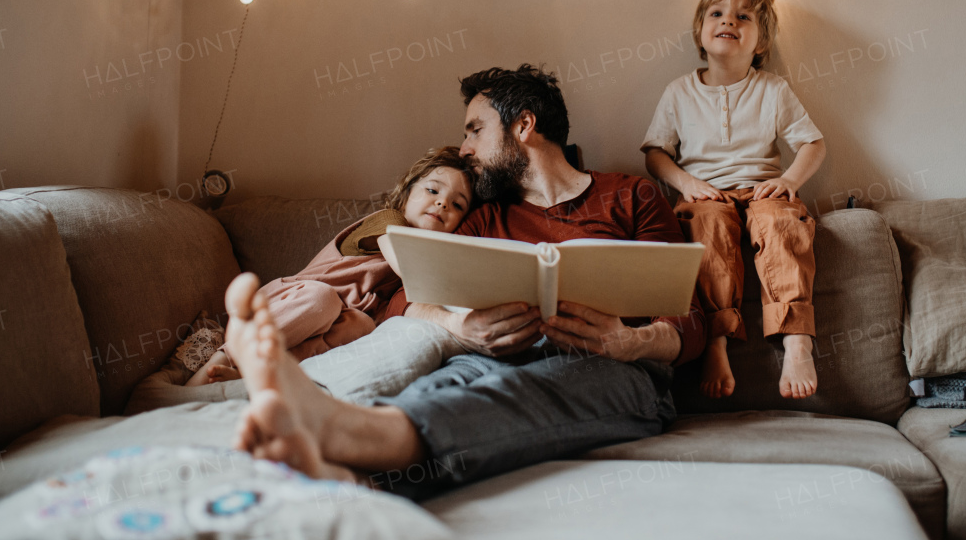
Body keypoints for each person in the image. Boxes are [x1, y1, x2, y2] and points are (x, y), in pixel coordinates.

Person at [223, 65, 706, 495]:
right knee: (451, 384)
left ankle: (344, 434)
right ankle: (347, 473)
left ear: (523, 125)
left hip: (616, 368)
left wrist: (630, 340)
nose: (465, 148)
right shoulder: (483, 217)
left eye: (476, 130)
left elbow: (688, 316)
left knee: (530, 391)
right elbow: (404, 301)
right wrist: (458, 328)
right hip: (498, 358)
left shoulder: (632, 195)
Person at [642, 0, 826, 400]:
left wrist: (788, 181)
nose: (730, 21)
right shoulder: (679, 92)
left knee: (783, 224)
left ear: (760, 43)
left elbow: (812, 143)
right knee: (704, 230)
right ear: (700, 32)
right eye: (718, 14)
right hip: (705, 194)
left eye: (744, 17)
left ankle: (797, 340)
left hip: (762, 191)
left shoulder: (772, 89)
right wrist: (686, 183)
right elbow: (655, 153)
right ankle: (715, 341)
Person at [187, 147, 475, 386]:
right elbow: (406, 264)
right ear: (406, 195)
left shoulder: (426, 256)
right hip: (292, 302)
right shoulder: (389, 222)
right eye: (432, 190)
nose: (442, 203)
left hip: (336, 319)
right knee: (322, 300)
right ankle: (224, 356)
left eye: (457, 204)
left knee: (361, 326)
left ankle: (259, 374)